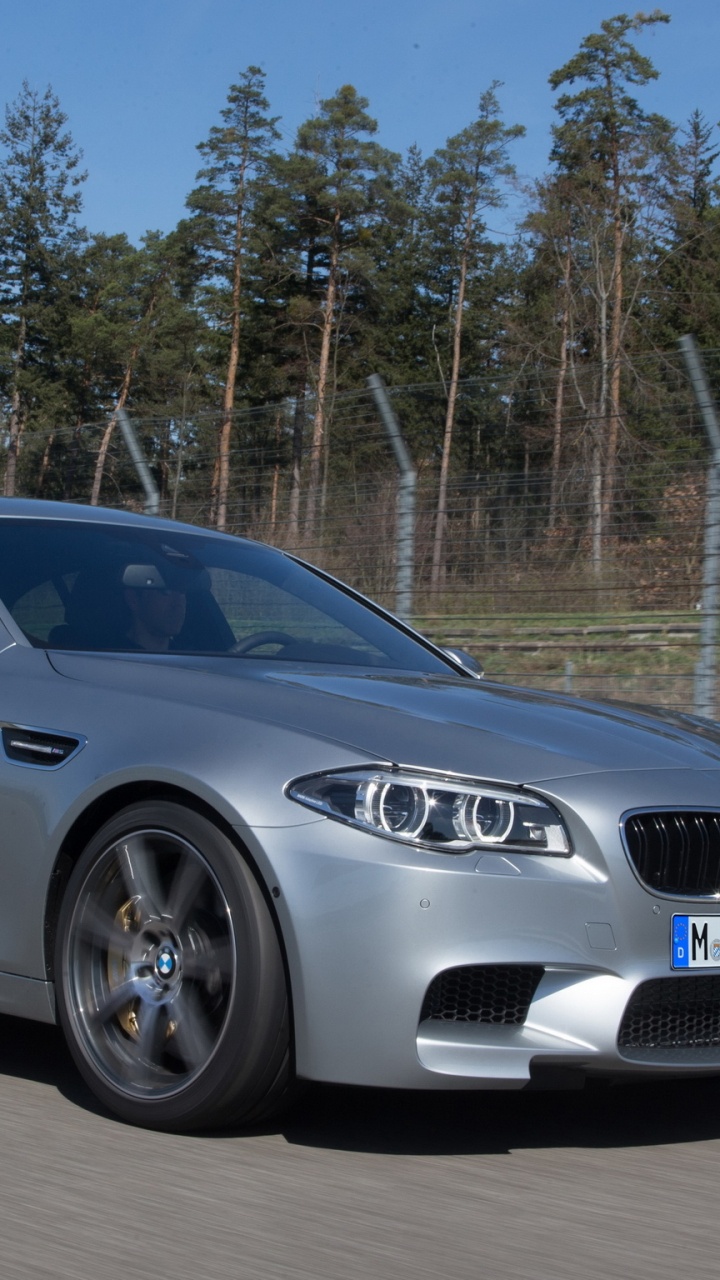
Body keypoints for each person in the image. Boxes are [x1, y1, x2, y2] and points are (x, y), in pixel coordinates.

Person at [122, 564, 187, 652]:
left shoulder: (194, 656)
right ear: (133, 599)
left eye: (182, 591)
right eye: (166, 591)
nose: (178, 603)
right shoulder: (108, 660)